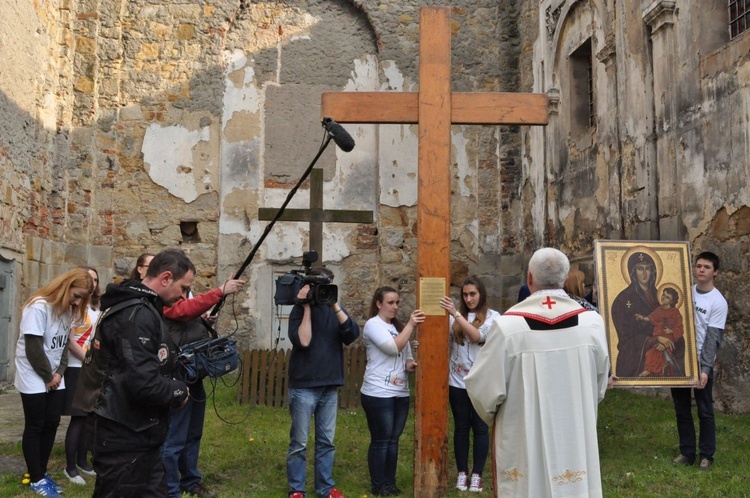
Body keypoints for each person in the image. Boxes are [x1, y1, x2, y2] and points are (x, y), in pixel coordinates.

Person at [464, 248, 610, 498]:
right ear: (565, 281)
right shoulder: (592, 323)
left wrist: (496, 417)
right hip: (574, 426)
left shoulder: (508, 326)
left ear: (529, 278)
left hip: (523, 430)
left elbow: (483, 388)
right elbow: (599, 382)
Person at [78, 248, 194, 496]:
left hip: (141, 434)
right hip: (123, 435)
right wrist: (179, 390)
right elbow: (143, 383)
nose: (184, 296)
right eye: (183, 288)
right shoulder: (135, 314)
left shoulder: (143, 307)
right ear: (165, 278)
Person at [161, 277, 245, 498]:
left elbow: (188, 317)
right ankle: (170, 489)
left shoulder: (181, 297)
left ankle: (190, 481)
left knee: (193, 432)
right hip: (177, 375)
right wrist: (220, 291)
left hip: (193, 372)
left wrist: (204, 320)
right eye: (185, 285)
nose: (186, 291)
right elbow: (182, 312)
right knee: (175, 436)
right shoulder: (164, 298)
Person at [14, 268, 93, 497]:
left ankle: (42, 471)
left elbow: (63, 348)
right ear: (65, 286)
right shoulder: (38, 307)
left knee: (52, 422)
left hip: (54, 376)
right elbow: (33, 348)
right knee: (36, 424)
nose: (77, 301)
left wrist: (59, 373)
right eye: (76, 295)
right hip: (33, 374)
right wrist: (48, 377)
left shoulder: (68, 311)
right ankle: (36, 478)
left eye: (81, 298)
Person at [286, 267, 360, 498]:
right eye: (319, 286)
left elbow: (351, 334)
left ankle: (325, 488)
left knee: (326, 441)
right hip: (304, 386)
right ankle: (297, 490)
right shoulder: (299, 311)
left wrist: (334, 304)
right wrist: (306, 306)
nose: (323, 290)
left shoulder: (334, 309)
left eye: (327, 285)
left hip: (329, 385)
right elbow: (304, 341)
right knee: (299, 442)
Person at [361, 287, 424, 497]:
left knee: (393, 440)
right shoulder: (373, 325)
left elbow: (404, 356)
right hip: (378, 392)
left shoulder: (397, 327)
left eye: (397, 302)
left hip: (400, 392)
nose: (395, 307)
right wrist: (411, 325)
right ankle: (378, 485)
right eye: (390, 302)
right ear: (379, 304)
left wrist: (410, 365)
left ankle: (390, 483)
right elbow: (392, 348)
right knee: (381, 439)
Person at [439, 276, 499, 493]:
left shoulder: (493, 318)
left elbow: (475, 336)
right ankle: (462, 472)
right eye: (465, 294)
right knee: (462, 427)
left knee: (481, 428)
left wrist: (455, 314)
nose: (469, 298)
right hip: (457, 381)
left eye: (473, 294)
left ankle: (477, 474)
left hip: (481, 382)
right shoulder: (456, 317)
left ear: (481, 294)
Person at [671, 251, 728, 471]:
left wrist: (705, 369)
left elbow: (713, 338)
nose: (701, 270)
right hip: (679, 359)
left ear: (715, 272)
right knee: (681, 408)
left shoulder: (718, 302)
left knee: (704, 410)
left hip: (701, 361)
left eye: (706, 267)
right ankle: (687, 452)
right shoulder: (685, 292)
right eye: (698, 266)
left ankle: (706, 454)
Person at [62, 266, 101, 485]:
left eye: (95, 279)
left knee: (88, 418)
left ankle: (83, 463)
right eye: (88, 279)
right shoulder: (75, 307)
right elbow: (69, 340)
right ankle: (70, 468)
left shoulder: (95, 308)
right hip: (77, 366)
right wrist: (87, 358)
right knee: (78, 418)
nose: (92, 283)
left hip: (91, 367)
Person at [610, 250, 672, 377]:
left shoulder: (661, 296)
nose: (644, 274)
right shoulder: (622, 300)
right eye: (640, 269)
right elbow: (625, 337)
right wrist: (654, 340)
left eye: (647, 269)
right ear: (633, 273)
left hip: (662, 345)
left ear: (653, 271)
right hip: (635, 356)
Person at [636, 286, 684, 377]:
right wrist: (642, 318)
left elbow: (680, 328)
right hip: (657, 336)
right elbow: (651, 318)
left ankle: (649, 370)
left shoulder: (675, 312)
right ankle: (650, 369)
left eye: (667, 297)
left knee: (657, 351)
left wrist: (671, 331)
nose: (663, 298)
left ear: (672, 301)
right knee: (650, 352)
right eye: (663, 295)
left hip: (668, 338)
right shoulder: (659, 309)